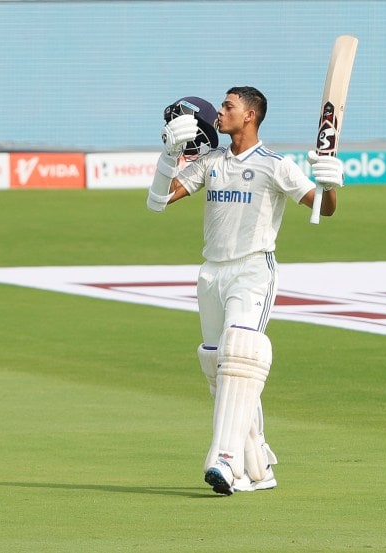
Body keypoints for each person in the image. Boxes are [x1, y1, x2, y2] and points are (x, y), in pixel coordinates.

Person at [146, 87, 343, 495]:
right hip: (211, 273)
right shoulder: (211, 162)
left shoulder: (276, 166)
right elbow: (158, 201)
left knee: (241, 352)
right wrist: (168, 158)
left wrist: (329, 181)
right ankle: (258, 466)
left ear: (250, 115)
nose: (219, 112)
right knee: (221, 369)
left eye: (227, 107)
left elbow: (323, 207)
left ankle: (224, 457)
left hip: (253, 270)